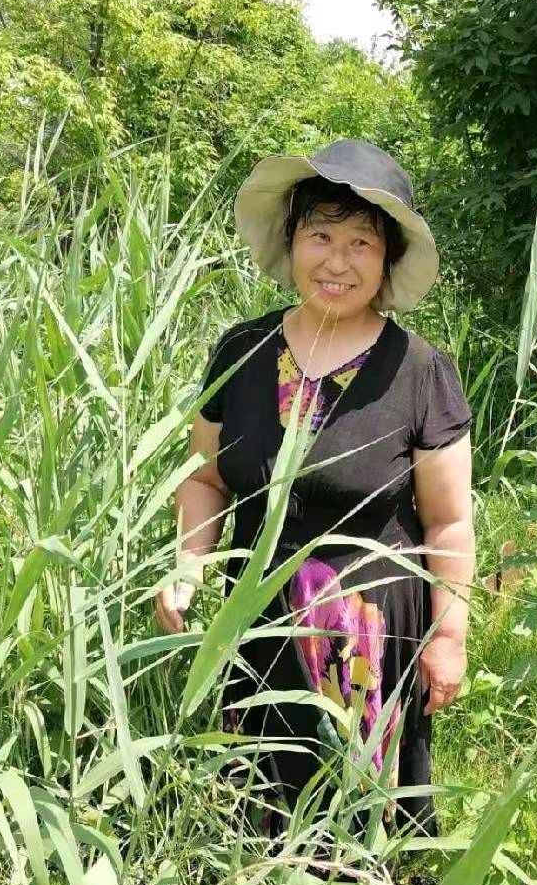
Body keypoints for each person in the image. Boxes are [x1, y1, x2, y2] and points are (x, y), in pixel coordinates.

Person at [154, 139, 474, 836]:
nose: (336, 261)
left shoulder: (420, 371)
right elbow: (205, 478)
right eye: (320, 236)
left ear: (387, 260)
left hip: (365, 636)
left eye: (361, 243)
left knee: (357, 829)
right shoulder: (241, 351)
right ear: (291, 241)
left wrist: (449, 635)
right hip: (256, 618)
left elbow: (448, 522)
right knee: (256, 817)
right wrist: (188, 565)